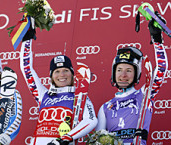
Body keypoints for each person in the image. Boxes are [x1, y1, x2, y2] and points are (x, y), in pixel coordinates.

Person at [95, 12, 168, 145]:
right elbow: (97, 141)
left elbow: (161, 69)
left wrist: (157, 39)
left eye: (129, 70)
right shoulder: (105, 107)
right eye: (119, 70)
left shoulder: (145, 94)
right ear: (113, 74)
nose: (123, 75)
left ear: (136, 75)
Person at [20, 40, 98, 145]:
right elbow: (27, 69)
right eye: (57, 71)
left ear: (72, 74)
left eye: (66, 70)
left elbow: (91, 120)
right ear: (51, 76)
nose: (62, 75)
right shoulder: (43, 95)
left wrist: (65, 139)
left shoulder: (80, 96)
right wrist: (27, 40)